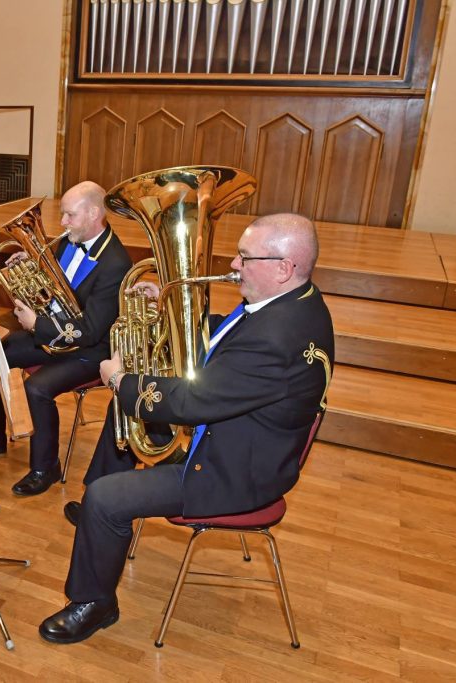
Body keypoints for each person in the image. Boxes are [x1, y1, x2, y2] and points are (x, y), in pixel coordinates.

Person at [39, 213, 334, 645]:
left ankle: (94, 602)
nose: (234, 264)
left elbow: (194, 402)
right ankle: (99, 526)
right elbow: (227, 337)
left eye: (245, 258)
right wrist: (164, 305)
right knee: (126, 417)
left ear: (283, 267)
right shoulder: (292, 303)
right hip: (241, 439)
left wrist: (121, 381)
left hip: (231, 471)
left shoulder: (278, 338)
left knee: (107, 494)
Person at [0, 181, 132, 497]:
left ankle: (45, 467)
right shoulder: (68, 241)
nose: (62, 223)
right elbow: (56, 288)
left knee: (38, 388)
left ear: (94, 213)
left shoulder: (116, 263)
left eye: (69, 216)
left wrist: (37, 325)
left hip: (91, 351)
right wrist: (31, 266)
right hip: (54, 333)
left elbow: (89, 329)